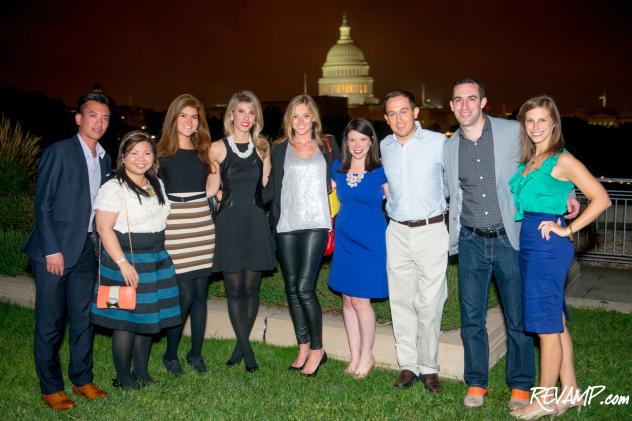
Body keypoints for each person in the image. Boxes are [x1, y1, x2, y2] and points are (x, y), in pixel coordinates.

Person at [444, 77, 580, 410]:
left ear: (483, 102)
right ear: (451, 106)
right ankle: (476, 383)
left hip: (509, 237)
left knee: (518, 316)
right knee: (472, 316)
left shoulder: (511, 131)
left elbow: (546, 155)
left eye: (471, 99)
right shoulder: (449, 145)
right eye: (458, 100)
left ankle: (520, 386)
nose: (465, 105)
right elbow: (450, 190)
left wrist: (570, 192)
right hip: (471, 239)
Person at [508, 96, 610, 419]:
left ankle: (544, 399)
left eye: (542, 120)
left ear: (554, 123)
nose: (536, 127)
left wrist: (569, 229)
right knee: (557, 321)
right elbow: (548, 192)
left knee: (546, 327)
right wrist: (565, 197)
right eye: (530, 121)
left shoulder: (562, 160)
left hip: (547, 246)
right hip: (532, 244)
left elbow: (601, 198)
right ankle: (571, 391)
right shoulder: (532, 159)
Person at [22, 92, 111, 410]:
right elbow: (42, 204)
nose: (98, 122)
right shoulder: (59, 152)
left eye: (104, 117)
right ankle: (51, 387)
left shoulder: (105, 158)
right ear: (79, 118)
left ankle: (82, 379)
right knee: (50, 322)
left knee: (84, 318)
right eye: (92, 115)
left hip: (86, 250)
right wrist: (52, 250)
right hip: (53, 251)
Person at [91, 131, 181, 389]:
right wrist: (122, 264)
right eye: (134, 153)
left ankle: (141, 370)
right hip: (125, 259)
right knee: (125, 321)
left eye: (147, 153)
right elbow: (104, 229)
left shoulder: (156, 183)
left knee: (147, 318)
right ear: (123, 156)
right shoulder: (113, 187)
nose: (141, 159)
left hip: (155, 257)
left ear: (154, 157)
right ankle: (123, 376)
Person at [380, 89, 447, 393]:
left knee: (430, 303)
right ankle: (408, 365)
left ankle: (429, 366)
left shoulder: (438, 143)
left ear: (416, 112)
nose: (398, 118)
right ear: (386, 118)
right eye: (392, 113)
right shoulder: (385, 146)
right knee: (401, 301)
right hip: (396, 232)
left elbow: (455, 183)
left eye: (403, 111)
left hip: (431, 231)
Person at [268, 94, 339, 376]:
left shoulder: (328, 145)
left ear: (314, 119)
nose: (300, 121)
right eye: (295, 116)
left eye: (305, 116)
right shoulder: (278, 148)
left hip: (316, 223)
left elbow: (348, 171)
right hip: (286, 223)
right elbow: (272, 186)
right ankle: (303, 344)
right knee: (291, 286)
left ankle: (318, 349)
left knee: (305, 288)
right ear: (289, 120)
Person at [208, 90, 275, 372]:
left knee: (251, 288)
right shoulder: (217, 148)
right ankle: (247, 352)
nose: (246, 117)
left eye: (252, 112)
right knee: (234, 290)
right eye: (241, 111)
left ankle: (240, 347)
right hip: (229, 224)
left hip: (255, 222)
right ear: (231, 114)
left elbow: (266, 187)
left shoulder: (262, 147)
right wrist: (214, 194)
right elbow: (210, 188)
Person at [157, 94, 215, 374]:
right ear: (173, 118)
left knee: (201, 295)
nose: (189, 122)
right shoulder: (160, 155)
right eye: (183, 115)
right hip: (175, 228)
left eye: (194, 116)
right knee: (184, 296)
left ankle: (195, 354)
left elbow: (213, 186)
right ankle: (170, 354)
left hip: (202, 226)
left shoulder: (205, 152)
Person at [327, 118, 388, 379]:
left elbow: (396, 202)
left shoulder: (380, 171)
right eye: (352, 140)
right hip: (344, 242)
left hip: (371, 243)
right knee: (348, 300)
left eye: (363, 139)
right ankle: (354, 356)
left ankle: (367, 355)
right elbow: (328, 202)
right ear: (346, 142)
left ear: (371, 141)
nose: (357, 145)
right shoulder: (337, 170)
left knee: (362, 301)